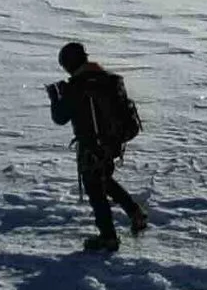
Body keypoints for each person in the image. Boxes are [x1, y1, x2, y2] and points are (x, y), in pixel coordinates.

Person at [48, 39, 148, 250]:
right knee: (103, 180)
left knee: (95, 189)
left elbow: (60, 117)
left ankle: (108, 236)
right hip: (111, 142)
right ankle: (135, 212)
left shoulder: (78, 86)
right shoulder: (105, 78)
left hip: (92, 145)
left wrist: (55, 97)